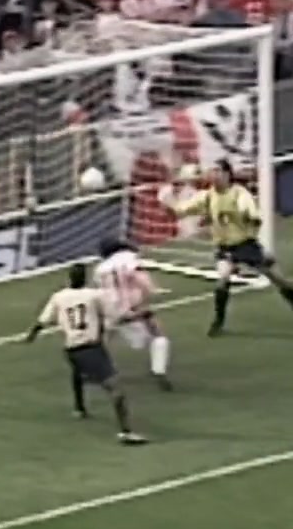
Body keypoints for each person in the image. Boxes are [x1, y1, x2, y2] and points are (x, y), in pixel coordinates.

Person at [160, 159, 293, 336]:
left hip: (246, 245)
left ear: (227, 174)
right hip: (225, 249)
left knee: (278, 279)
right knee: (222, 280)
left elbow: (252, 216)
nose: (213, 174)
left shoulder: (240, 194)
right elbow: (180, 211)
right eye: (211, 171)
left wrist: (245, 218)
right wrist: (167, 206)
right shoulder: (207, 196)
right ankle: (218, 321)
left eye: (217, 171)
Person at [26, 261, 147, 444]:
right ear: (86, 279)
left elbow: (42, 321)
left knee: (77, 371)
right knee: (116, 389)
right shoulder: (94, 295)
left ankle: (79, 407)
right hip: (90, 348)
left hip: (71, 349)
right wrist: (140, 315)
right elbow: (116, 316)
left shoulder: (59, 297)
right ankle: (125, 432)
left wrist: (31, 336)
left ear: (69, 278)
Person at [93, 238, 173, 390]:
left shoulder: (100, 268)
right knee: (158, 336)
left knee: (103, 339)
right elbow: (141, 278)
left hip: (109, 310)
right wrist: (152, 291)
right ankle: (159, 371)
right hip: (131, 309)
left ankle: (97, 369)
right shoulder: (130, 258)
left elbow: (101, 289)